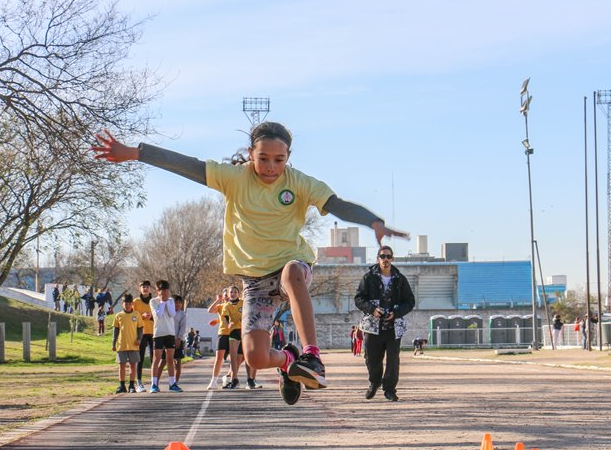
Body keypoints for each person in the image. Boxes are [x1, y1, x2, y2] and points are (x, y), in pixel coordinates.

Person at [93, 122, 406, 406]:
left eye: (279, 160)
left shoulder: (299, 183)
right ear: (250, 154)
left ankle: (311, 355)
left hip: (291, 266)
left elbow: (336, 204)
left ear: (288, 157)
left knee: (292, 272)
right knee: (255, 358)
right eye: (263, 158)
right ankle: (288, 360)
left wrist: (373, 221)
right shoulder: (234, 178)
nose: (271, 167)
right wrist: (135, 153)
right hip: (255, 282)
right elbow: (188, 166)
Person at [354, 245, 416, 402]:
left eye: (388, 257)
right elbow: (359, 299)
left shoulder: (400, 279)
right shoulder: (368, 278)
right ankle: (374, 383)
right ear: (378, 259)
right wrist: (372, 309)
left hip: (393, 327)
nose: (385, 259)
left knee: (393, 359)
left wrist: (397, 313)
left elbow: (409, 301)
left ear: (392, 259)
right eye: (383, 256)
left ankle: (389, 389)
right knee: (372, 357)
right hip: (372, 326)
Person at [148, 280, 181, 393]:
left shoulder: (171, 301)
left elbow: (172, 314)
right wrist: (162, 302)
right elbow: (159, 315)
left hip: (170, 333)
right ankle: (154, 384)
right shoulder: (153, 301)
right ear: (158, 291)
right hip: (158, 333)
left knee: (170, 359)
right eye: (163, 292)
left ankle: (172, 383)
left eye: (167, 292)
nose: (165, 294)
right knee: (156, 359)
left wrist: (167, 302)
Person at [112, 293, 144, 394]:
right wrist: (113, 343)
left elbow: (140, 329)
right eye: (126, 303)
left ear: (132, 304)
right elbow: (115, 331)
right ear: (122, 304)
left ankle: (131, 385)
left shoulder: (137, 315)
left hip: (133, 345)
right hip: (121, 345)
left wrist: (139, 339)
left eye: (130, 303)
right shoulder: (118, 316)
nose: (128, 305)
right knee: (122, 365)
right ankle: (122, 385)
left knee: (133, 365)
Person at [131, 280, 155, 392]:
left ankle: (154, 382)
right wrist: (142, 316)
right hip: (141, 333)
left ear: (150, 288)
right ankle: (139, 383)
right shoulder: (135, 302)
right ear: (139, 288)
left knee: (154, 358)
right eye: (143, 287)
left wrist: (150, 317)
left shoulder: (155, 301)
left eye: (147, 286)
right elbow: (132, 317)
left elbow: (159, 317)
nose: (145, 288)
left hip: (154, 333)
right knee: (139, 358)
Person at [207, 288, 232, 390]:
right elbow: (209, 310)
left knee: (236, 358)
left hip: (234, 334)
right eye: (225, 295)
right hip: (222, 333)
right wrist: (217, 300)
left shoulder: (235, 306)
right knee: (219, 358)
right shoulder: (220, 306)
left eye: (228, 295)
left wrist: (217, 320)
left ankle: (229, 377)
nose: (227, 297)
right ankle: (214, 381)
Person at [173, 295, 188, 385]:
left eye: (179, 303)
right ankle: (156, 382)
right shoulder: (168, 312)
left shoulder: (182, 314)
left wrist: (178, 338)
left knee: (178, 362)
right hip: (168, 339)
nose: (177, 304)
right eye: (175, 302)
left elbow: (183, 328)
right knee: (165, 361)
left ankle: (176, 381)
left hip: (178, 339)